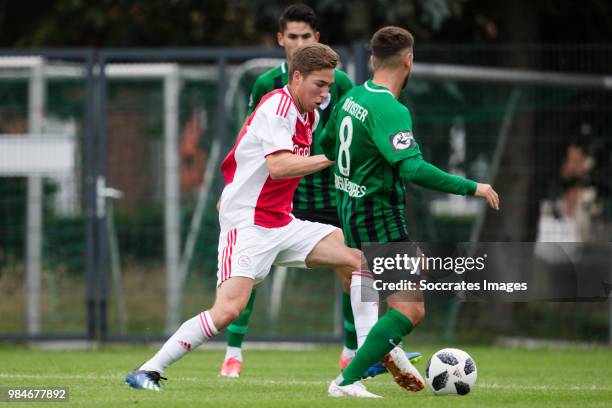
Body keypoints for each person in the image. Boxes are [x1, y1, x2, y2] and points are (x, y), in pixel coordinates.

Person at [125, 43, 365, 392]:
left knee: (359, 258)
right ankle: (147, 370)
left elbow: (244, 146)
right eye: (320, 85)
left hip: (282, 222)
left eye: (329, 86)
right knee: (228, 310)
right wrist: (333, 158)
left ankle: (366, 361)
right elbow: (279, 166)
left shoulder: (309, 115)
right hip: (248, 225)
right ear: (297, 77)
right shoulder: (277, 106)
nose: (326, 93)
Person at [220, 3, 420, 378]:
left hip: (333, 193)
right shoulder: (267, 85)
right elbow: (248, 138)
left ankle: (355, 351)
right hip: (282, 193)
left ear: (317, 39)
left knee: (355, 267)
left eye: (305, 37)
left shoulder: (340, 83)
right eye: (292, 37)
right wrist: (233, 186)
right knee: (250, 269)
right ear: (281, 40)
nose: (298, 43)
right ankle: (233, 353)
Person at [322, 26, 500, 398]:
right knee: (410, 310)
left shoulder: (352, 96)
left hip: (352, 211)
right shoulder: (391, 108)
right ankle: (348, 379)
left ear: (372, 59)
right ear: (408, 59)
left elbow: (326, 142)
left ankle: (371, 355)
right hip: (379, 218)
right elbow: (413, 168)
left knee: (382, 288)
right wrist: (474, 187)